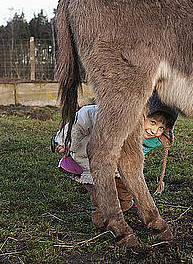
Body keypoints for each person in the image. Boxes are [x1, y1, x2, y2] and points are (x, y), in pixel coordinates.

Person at [51, 93, 177, 227]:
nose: (154, 130)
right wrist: (67, 142)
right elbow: (79, 123)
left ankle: (126, 206)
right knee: (101, 193)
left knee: (124, 189)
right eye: (153, 122)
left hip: (117, 166)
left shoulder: (144, 136)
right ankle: (102, 218)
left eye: (161, 128)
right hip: (90, 163)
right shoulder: (99, 114)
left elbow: (138, 151)